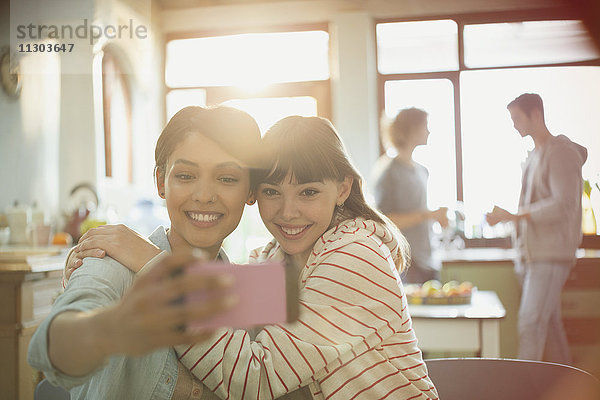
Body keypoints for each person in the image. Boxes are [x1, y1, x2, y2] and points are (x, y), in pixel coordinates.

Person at [66, 116, 438, 399]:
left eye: (308, 192)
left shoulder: (355, 258)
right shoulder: (272, 261)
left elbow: (255, 378)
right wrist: (101, 264)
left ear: (343, 188)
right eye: (271, 191)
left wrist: (151, 263)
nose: (288, 212)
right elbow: (211, 325)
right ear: (253, 193)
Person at [28, 105, 265, 399]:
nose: (204, 195)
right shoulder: (111, 262)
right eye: (187, 176)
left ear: (251, 191)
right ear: (161, 182)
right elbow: (64, 337)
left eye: (227, 178)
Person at [486, 93, 588, 364]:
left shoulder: (561, 153)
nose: (514, 125)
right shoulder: (534, 156)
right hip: (533, 256)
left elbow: (562, 204)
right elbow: (531, 208)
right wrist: (508, 218)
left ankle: (524, 390)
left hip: (551, 255)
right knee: (550, 329)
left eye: (517, 118)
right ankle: (567, 385)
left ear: (536, 115)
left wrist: (515, 216)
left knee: (530, 325)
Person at [371, 108, 448, 284]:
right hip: (405, 263)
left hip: (427, 258)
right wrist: (428, 215)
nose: (429, 131)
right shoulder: (389, 172)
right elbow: (385, 220)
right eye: (425, 126)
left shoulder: (422, 170)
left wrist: (434, 217)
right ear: (412, 129)